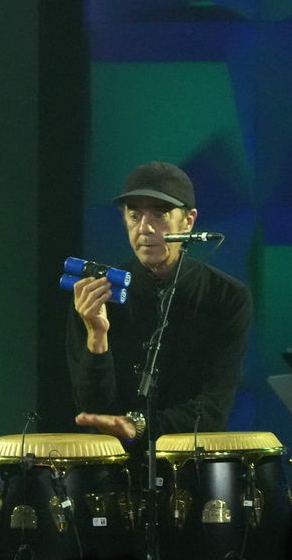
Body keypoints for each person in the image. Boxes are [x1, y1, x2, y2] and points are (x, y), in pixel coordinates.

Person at [66, 161, 252, 441]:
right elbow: (91, 409)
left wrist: (139, 426)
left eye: (160, 214)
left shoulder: (227, 297)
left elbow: (214, 409)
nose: (144, 228)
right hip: (114, 466)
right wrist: (97, 336)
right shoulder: (97, 293)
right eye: (134, 214)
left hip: (192, 466)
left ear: (188, 221)